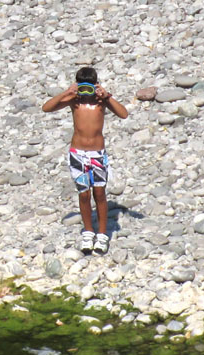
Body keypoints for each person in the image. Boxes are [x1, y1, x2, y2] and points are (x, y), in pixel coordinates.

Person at [42, 67, 129, 255]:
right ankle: (88, 232)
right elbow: (46, 108)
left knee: (99, 193)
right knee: (83, 194)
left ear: (95, 85)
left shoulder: (101, 102)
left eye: (89, 88)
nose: (86, 93)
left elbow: (124, 114)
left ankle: (103, 234)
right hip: (78, 153)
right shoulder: (74, 101)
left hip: (97, 154)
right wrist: (67, 92)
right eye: (83, 88)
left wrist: (107, 96)